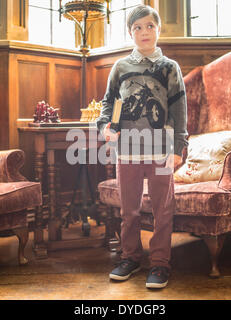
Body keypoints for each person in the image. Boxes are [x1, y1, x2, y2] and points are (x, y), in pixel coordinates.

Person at [96, 4, 188, 289]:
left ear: (158, 29)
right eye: (137, 27)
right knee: (130, 209)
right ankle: (130, 257)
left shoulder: (170, 68)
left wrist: (178, 147)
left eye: (150, 26)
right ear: (130, 33)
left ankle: (160, 264)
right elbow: (110, 102)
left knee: (162, 209)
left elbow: (179, 110)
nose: (144, 32)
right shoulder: (121, 67)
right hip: (128, 150)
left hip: (161, 150)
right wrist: (106, 126)